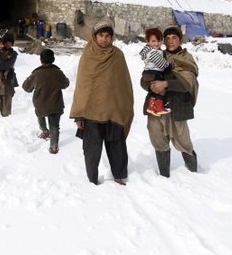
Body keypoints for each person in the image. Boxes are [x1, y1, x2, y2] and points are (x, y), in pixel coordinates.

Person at [70, 20, 134, 185]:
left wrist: (124, 108)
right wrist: (79, 115)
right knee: (91, 150)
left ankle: (119, 175)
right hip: (91, 112)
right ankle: (92, 180)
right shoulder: (88, 55)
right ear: (95, 35)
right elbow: (82, 87)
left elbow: (124, 84)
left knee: (117, 147)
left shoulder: (117, 56)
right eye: (101, 35)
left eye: (107, 36)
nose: (104, 39)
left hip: (113, 111)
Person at [140, 26, 199, 178]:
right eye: (167, 38)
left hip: (177, 107)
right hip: (156, 107)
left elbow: (188, 83)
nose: (170, 41)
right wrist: (151, 86)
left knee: (183, 141)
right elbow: (143, 79)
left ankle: (194, 175)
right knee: (158, 140)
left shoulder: (186, 58)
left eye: (174, 37)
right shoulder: (157, 55)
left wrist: (165, 84)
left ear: (180, 39)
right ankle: (164, 176)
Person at [22, 49, 70, 154]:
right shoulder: (58, 72)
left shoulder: (36, 73)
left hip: (41, 105)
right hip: (55, 105)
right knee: (54, 126)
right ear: (53, 59)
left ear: (41, 60)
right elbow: (66, 84)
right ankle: (53, 146)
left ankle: (44, 131)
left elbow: (26, 87)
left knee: (40, 114)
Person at [140, 27, 172, 116]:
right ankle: (157, 106)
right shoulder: (153, 52)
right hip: (153, 73)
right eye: (153, 41)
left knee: (156, 89)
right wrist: (169, 65)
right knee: (160, 89)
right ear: (148, 42)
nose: (157, 43)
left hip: (150, 73)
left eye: (159, 41)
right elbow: (160, 63)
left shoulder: (150, 50)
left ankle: (154, 106)